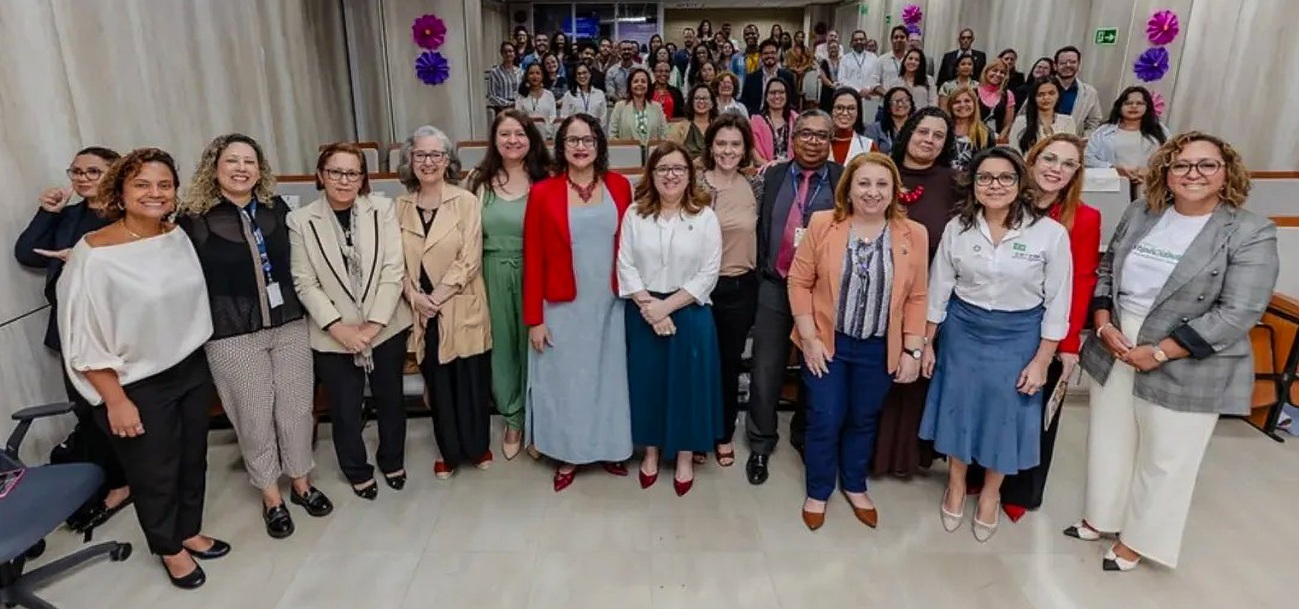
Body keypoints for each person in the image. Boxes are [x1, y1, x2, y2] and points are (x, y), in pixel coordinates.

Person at [1069, 132, 1278, 571]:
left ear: (1227, 174)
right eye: (1181, 165)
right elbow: (1108, 269)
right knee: (1109, 437)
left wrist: (1161, 352)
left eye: (1207, 165)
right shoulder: (1142, 212)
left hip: (1186, 351)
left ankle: (1138, 540)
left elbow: (1239, 311)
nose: (1192, 174)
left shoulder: (1249, 231)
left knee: (1166, 455)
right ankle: (1102, 517)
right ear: (1165, 172)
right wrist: (1103, 323)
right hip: (1118, 339)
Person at [57, 148, 227, 589]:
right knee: (155, 472)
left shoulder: (175, 235)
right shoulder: (94, 254)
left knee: (192, 458)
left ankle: (187, 530)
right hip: (135, 383)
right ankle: (168, 547)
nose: (155, 193)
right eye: (142, 184)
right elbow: (83, 337)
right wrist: (115, 400)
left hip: (189, 368)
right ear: (120, 191)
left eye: (164, 185)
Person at [177, 134, 332, 539]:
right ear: (214, 167)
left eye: (249, 161)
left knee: (297, 410)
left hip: (288, 324)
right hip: (232, 333)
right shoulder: (193, 218)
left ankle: (301, 482)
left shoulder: (274, 208)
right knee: (254, 417)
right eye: (232, 161)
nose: (241, 168)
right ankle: (270, 496)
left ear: (260, 169)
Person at [921, 147, 1073, 542]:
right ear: (973, 183)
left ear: (1021, 182)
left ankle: (991, 493)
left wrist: (1042, 360)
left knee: (1006, 417)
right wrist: (928, 343)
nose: (995, 185)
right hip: (963, 332)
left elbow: (1058, 303)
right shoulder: (958, 228)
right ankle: (956, 485)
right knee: (959, 409)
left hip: (1018, 336)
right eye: (985, 177)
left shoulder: (1050, 234)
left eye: (1006, 177)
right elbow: (939, 289)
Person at [964, 133, 1102, 522]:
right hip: (1002, 321)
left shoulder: (1084, 217)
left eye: (1068, 164)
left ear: (1076, 173)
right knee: (991, 402)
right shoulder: (1002, 201)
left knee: (1033, 411)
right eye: (1050, 159)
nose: (1056, 169)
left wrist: (1068, 343)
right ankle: (977, 474)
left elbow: (1082, 281)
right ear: (1032, 160)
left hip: (1050, 329)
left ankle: (1020, 490)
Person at [788, 152, 929, 530]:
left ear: (894, 190)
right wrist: (809, 338)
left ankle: (853, 483)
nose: (872, 192)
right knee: (825, 418)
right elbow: (799, 282)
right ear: (848, 189)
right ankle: (818, 490)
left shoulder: (913, 234)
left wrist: (913, 349)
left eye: (882, 184)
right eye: (863, 183)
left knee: (863, 418)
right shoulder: (823, 224)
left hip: (878, 347)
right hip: (826, 343)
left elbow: (917, 296)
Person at [14, 146, 131, 534]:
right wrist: (47, 212)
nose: (82, 178)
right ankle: (111, 480)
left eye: (93, 171)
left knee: (125, 409)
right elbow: (27, 253)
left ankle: (126, 483)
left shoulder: (128, 216)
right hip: (72, 329)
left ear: (115, 173)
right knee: (89, 412)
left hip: (117, 329)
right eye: (76, 171)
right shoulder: (69, 217)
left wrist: (84, 261)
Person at [286, 144, 414, 498]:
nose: (344, 180)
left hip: (385, 326)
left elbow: (393, 270)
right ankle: (356, 469)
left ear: (362, 178)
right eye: (335, 172)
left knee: (390, 400)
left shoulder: (382, 210)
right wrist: (339, 328)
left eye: (352, 173)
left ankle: (392, 459)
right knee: (344, 407)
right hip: (333, 332)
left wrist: (373, 326)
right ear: (321, 175)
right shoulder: (300, 220)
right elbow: (304, 282)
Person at [523, 114, 635, 491]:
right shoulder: (543, 192)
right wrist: (535, 319)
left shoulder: (620, 186)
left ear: (599, 144)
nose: (581, 147)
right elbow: (533, 258)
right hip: (562, 304)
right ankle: (569, 452)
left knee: (609, 378)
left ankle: (610, 447)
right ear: (562, 146)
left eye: (588, 139)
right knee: (568, 382)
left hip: (610, 302)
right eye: (572, 140)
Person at [618, 142, 723, 496]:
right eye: (662, 168)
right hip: (643, 311)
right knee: (647, 383)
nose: (671, 175)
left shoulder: (704, 216)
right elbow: (625, 265)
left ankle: (684, 455)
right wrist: (651, 307)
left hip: (689, 312)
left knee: (688, 387)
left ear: (690, 175)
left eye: (678, 168)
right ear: (651, 174)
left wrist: (667, 308)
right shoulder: (635, 214)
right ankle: (650, 452)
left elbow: (709, 272)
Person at [746, 110, 843, 485]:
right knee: (765, 368)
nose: (813, 141)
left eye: (822, 135)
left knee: (814, 367)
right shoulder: (771, 175)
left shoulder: (842, 179)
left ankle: (803, 434)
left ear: (830, 141)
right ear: (792, 138)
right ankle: (760, 441)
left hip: (821, 292)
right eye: (805, 134)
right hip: (774, 284)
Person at [395, 126, 495, 479]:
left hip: (458, 300)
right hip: (421, 308)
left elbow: (470, 258)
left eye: (436, 154)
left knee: (470, 379)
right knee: (437, 383)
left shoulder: (466, 201)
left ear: (448, 160)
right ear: (410, 160)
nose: (428, 162)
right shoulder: (399, 207)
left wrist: (435, 297)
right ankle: (448, 451)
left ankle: (478, 446)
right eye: (420, 154)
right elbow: (394, 262)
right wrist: (414, 297)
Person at [873, 108, 961, 478]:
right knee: (875, 377)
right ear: (908, 132)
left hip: (927, 296)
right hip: (875, 294)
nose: (929, 140)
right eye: (923, 131)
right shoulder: (881, 172)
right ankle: (868, 453)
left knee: (913, 377)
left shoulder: (955, 183)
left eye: (938, 135)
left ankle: (905, 456)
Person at [469, 110, 552, 460]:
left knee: (537, 348)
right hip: (492, 272)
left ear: (531, 138)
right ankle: (513, 417)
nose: (513, 140)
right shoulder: (479, 181)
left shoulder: (547, 179)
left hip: (537, 272)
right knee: (502, 349)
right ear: (494, 139)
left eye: (520, 133)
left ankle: (539, 421)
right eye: (505, 134)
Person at [699, 115, 761, 467]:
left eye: (735, 144)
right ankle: (696, 431)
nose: (727, 150)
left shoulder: (756, 185)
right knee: (698, 363)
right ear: (710, 146)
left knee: (728, 363)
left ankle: (723, 432)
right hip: (698, 289)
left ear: (745, 148)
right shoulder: (694, 183)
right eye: (721, 143)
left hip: (739, 287)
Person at [1085, 86, 1170, 195]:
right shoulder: (1103, 131)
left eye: (1139, 103)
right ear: (1120, 106)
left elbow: (1171, 157)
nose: (1134, 106)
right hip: (1112, 187)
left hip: (1149, 187)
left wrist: (1151, 171)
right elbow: (1087, 158)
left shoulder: (1160, 130)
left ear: (1147, 106)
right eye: (1128, 103)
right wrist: (1113, 169)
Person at [1010, 77, 1076, 154]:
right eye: (1041, 95)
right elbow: (1013, 151)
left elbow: (1071, 151)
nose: (1046, 98)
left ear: (1058, 95)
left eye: (1051, 93)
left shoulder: (1068, 121)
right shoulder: (1021, 121)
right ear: (1034, 98)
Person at [607, 68, 668, 144]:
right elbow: (612, 135)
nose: (640, 84)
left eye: (643, 81)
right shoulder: (619, 107)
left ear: (648, 85)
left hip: (653, 151)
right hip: (628, 150)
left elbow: (664, 134)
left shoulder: (657, 107)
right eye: (636, 81)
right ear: (630, 85)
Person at [1053, 46, 1103, 135]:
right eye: (1063, 62)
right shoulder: (1040, 88)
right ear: (1055, 66)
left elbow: (1094, 121)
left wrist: (1083, 138)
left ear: (1079, 65)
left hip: (1073, 140)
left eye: (1073, 62)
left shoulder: (1090, 93)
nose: (1068, 65)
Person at [741, 39, 796, 116]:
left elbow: (793, 101)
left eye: (773, 53)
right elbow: (744, 103)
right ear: (761, 56)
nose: (769, 56)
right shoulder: (751, 78)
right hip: (756, 117)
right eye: (766, 53)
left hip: (781, 116)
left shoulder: (787, 76)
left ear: (778, 54)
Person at [751, 78, 799, 165]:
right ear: (766, 97)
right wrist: (773, 169)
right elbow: (756, 157)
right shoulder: (756, 122)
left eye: (781, 92)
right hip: (765, 169)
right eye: (773, 93)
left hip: (793, 169)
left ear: (787, 96)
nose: (777, 96)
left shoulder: (797, 120)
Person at [948, 86, 994, 172]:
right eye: (957, 102)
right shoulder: (944, 129)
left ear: (974, 104)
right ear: (950, 106)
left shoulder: (986, 133)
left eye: (967, 101)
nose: (962, 105)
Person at [826, 88, 876, 163]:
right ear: (831, 111)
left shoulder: (868, 146)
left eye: (851, 108)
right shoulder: (817, 142)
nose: (845, 113)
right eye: (839, 108)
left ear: (858, 113)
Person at [668, 83, 718, 158]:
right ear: (691, 102)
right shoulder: (679, 128)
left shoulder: (718, 127)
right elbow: (670, 154)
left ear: (712, 104)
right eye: (697, 98)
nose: (701, 101)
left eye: (705, 98)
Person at [863, 86, 913, 154]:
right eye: (896, 101)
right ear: (888, 105)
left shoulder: (918, 126)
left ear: (911, 104)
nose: (900, 104)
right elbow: (867, 155)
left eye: (905, 100)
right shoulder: (874, 129)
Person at [976, 59, 1016, 141]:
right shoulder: (974, 92)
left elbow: (1007, 125)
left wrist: (999, 139)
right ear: (986, 71)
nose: (998, 74)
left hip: (997, 140)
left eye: (1002, 72)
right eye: (994, 70)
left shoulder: (1008, 95)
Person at [516, 63, 558, 139]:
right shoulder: (521, 96)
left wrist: (547, 133)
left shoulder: (549, 95)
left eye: (538, 73)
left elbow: (552, 117)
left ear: (542, 76)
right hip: (526, 136)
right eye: (531, 73)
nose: (534, 76)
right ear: (527, 76)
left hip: (546, 136)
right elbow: (519, 118)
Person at [488, 41, 524, 117]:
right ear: (501, 54)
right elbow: (492, 96)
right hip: (502, 110)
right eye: (505, 52)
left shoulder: (521, 72)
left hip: (518, 109)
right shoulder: (495, 72)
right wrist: (508, 104)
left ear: (514, 54)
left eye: (510, 51)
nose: (508, 54)